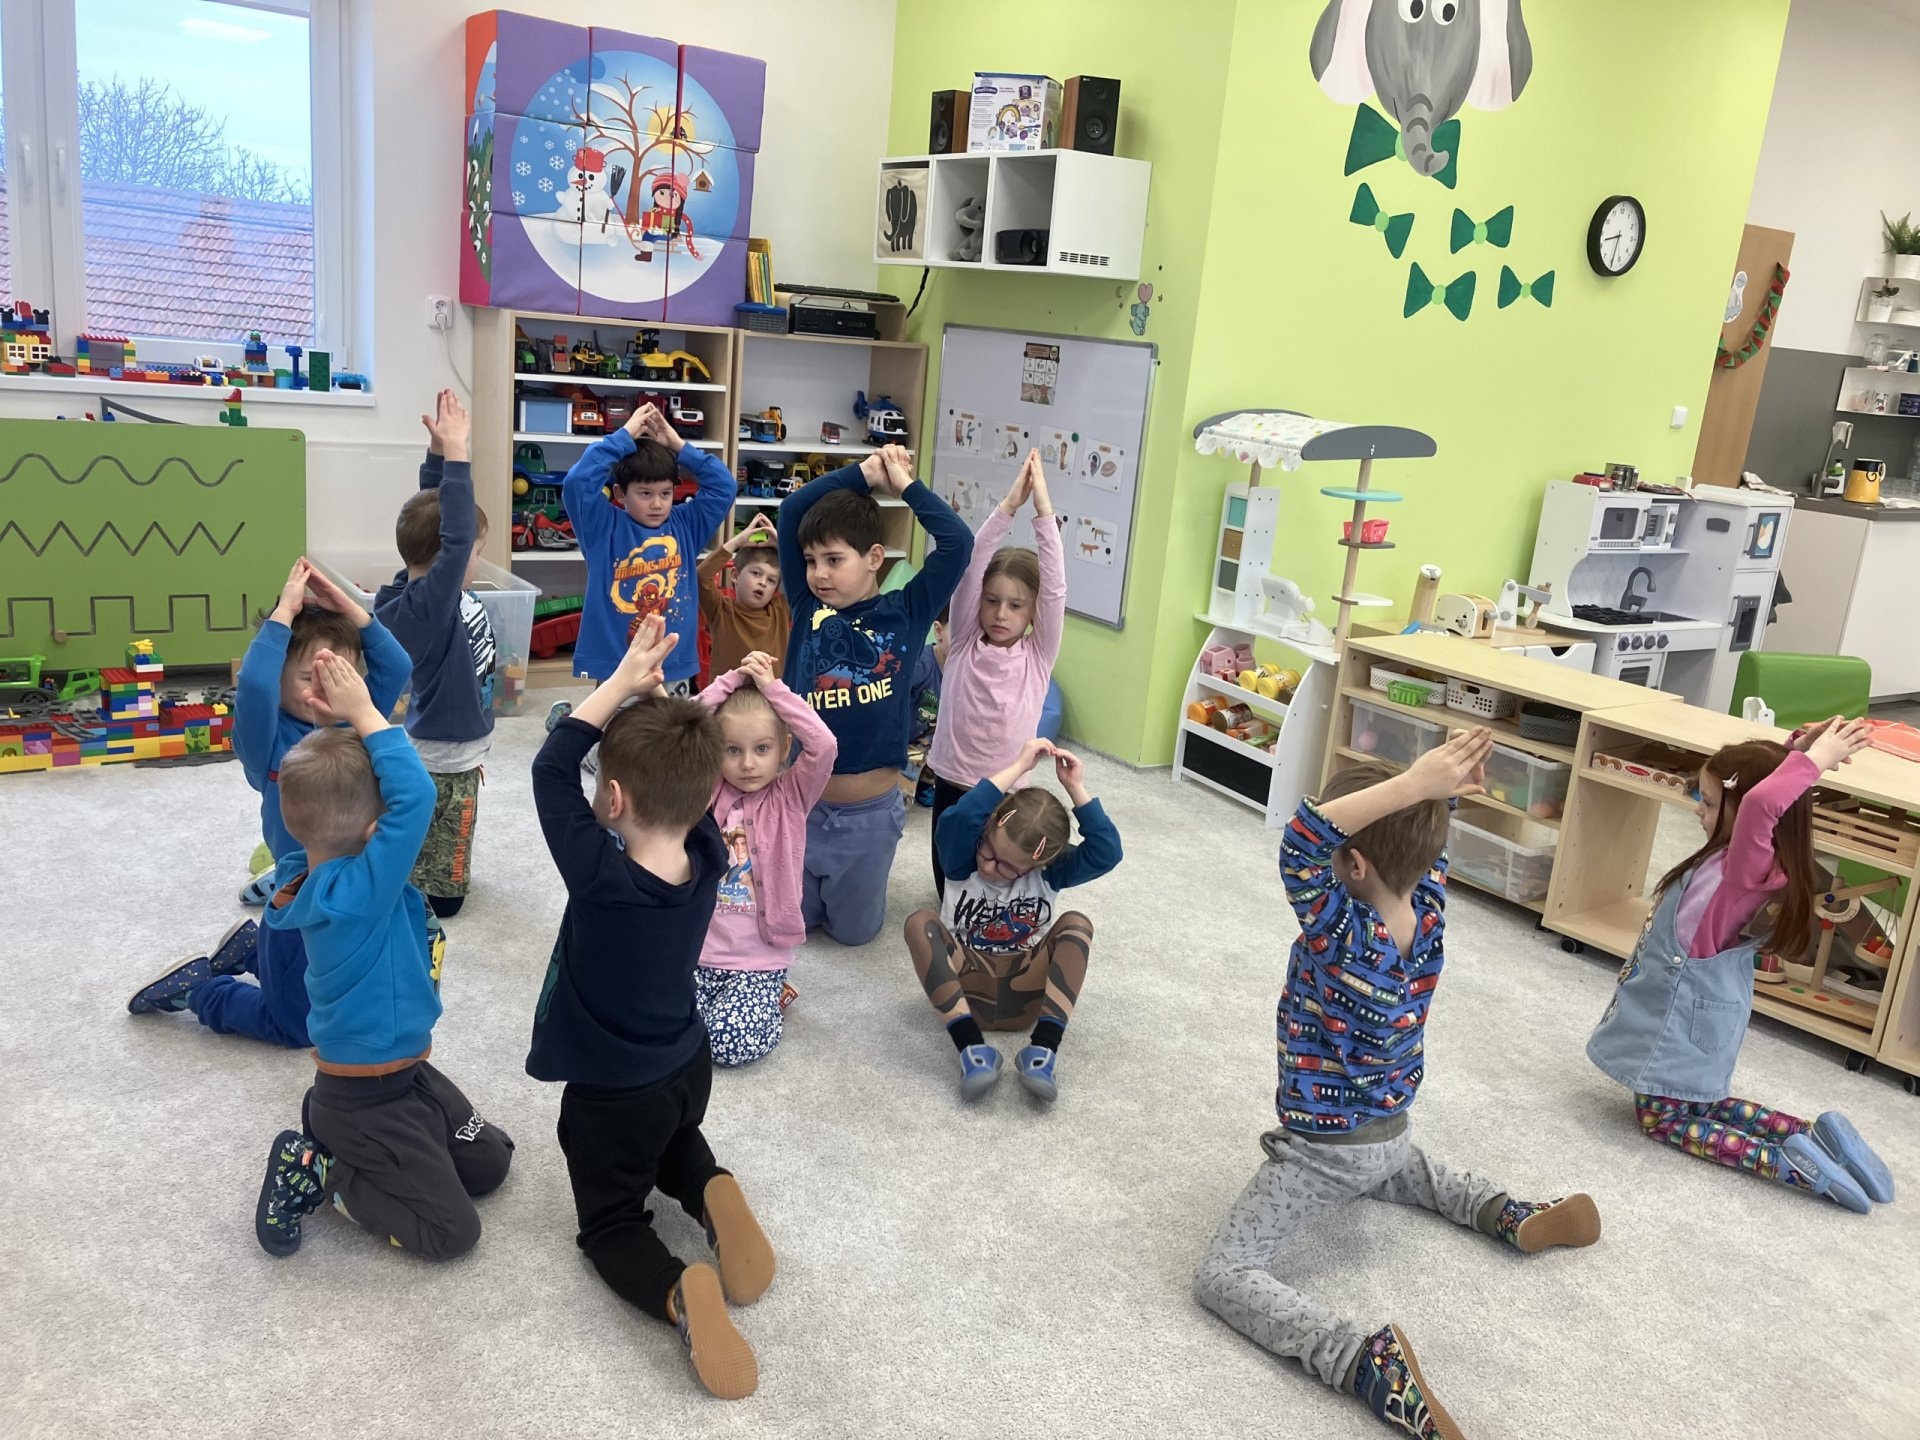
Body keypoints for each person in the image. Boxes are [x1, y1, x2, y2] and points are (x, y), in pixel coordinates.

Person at [1194, 733, 1601, 1440]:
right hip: (1388, 1133)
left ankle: (1359, 1360)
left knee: (1222, 1275)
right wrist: (1429, 794)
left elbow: (1301, 840)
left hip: (1325, 1149)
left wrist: (1418, 786)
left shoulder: (1342, 931)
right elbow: (1413, 847)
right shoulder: (1429, 912)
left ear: (1352, 864)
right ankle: (1505, 1212)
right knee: (1404, 1173)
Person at [529, 616, 775, 1401]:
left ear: (612, 799)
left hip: (613, 1091)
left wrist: (622, 683)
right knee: (669, 1139)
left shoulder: (603, 880)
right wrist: (657, 701)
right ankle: (708, 1185)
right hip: (684, 1065)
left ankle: (677, 1290)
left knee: (609, 1220)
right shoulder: (708, 853)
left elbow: (549, 765)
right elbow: (679, 780)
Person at [251, 649, 512, 1260]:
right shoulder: (363, 891)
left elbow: (337, 789)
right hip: (364, 1100)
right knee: (453, 1234)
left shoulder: (316, 863)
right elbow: (415, 794)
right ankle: (321, 1172)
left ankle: (334, 1137)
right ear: (376, 834)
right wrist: (366, 714)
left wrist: (338, 728)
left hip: (406, 1072)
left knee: (490, 1165)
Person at [1587, 717, 1896, 1214]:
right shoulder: (1749, 857)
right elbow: (1766, 794)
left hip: (1685, 1009)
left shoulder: (1746, 866)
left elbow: (1759, 802)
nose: (1699, 810)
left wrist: (1815, 762)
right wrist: (1796, 749)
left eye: (1709, 803)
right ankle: (1808, 1134)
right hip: (1705, 1003)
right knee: (1698, 1100)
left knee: (1662, 1118)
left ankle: (1786, 1163)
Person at [130, 559, 410, 1048]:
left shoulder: (359, 721)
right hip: (299, 896)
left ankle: (252, 951)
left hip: (361, 888)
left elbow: (398, 666)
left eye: (337, 675)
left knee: (347, 981)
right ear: (280, 676)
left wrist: (353, 611)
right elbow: (256, 686)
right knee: (297, 1025)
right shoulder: (269, 741)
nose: (323, 689)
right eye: (306, 677)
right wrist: (284, 614)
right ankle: (201, 990)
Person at [778, 443, 972, 945]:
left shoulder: (906, 610)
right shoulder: (805, 604)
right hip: (801, 806)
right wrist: (862, 473)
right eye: (810, 561)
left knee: (854, 934)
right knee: (792, 925)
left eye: (834, 560)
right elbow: (792, 510)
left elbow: (957, 542)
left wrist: (903, 486)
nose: (819, 573)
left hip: (868, 816)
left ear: (874, 558)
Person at [904, 737, 1119, 1102]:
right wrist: (1018, 767)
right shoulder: (961, 858)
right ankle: (973, 1051)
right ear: (987, 829)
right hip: (966, 991)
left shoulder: (1051, 873)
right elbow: (961, 817)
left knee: (1077, 924)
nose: (989, 866)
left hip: (1025, 994)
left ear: (1038, 865)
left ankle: (1043, 1051)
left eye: (1007, 867)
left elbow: (1107, 852)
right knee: (919, 922)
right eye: (988, 850)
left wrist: (1076, 788)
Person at [921, 449, 1066, 897]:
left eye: (1016, 605)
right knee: (948, 882)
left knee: (997, 880)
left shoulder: (1038, 653)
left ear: (1032, 612)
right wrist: (1008, 506)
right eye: (992, 601)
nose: (1001, 613)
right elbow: (973, 566)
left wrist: (1043, 510)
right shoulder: (964, 639)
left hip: (1006, 792)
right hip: (951, 780)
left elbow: (1055, 589)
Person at [374, 389, 495, 919]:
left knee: (433, 822)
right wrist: (460, 453)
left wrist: (439, 456)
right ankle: (438, 894)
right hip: (449, 751)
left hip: (446, 739)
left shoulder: (418, 590)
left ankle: (418, 871)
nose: (475, 560)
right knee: (449, 830)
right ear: (453, 555)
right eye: (475, 552)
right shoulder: (430, 605)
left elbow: (431, 516)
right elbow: (454, 532)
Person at [694, 650, 837, 1065]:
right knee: (655, 1025)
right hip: (696, 951)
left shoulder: (792, 794)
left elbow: (824, 744)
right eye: (732, 750)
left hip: (759, 960)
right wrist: (728, 681)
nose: (747, 764)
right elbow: (677, 730)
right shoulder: (707, 790)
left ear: (784, 747)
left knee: (725, 1043)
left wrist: (773, 689)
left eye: (761, 749)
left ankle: (773, 999)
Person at [560, 401, 737, 695]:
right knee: (618, 726)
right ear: (620, 493)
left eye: (665, 493)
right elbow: (577, 483)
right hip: (618, 666)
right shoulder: (601, 526)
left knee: (672, 726)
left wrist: (678, 445)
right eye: (645, 493)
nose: (657, 504)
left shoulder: (686, 525)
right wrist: (623, 437)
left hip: (672, 665)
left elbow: (724, 487)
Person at [698, 513, 789, 681]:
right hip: (727, 696)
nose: (763, 582)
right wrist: (736, 542)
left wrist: (783, 545)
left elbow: (805, 584)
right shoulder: (721, 610)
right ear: (735, 575)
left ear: (776, 588)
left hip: (768, 696)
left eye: (771, 580)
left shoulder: (781, 610)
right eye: (756, 573)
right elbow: (701, 577)